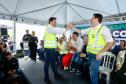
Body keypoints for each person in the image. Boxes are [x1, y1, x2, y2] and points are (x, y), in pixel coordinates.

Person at [82, 13, 113, 84]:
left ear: (97, 19)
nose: (91, 19)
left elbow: (110, 43)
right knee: (91, 72)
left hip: (97, 55)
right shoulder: (90, 29)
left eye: (92, 18)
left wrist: (101, 53)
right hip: (90, 54)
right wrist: (72, 27)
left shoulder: (103, 29)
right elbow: (80, 31)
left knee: (93, 74)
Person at [43, 17, 68, 83]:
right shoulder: (49, 28)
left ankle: (56, 74)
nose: (55, 22)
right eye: (54, 21)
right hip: (48, 49)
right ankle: (46, 77)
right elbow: (58, 31)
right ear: (50, 22)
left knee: (53, 63)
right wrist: (67, 28)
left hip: (52, 49)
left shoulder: (51, 28)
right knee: (47, 63)